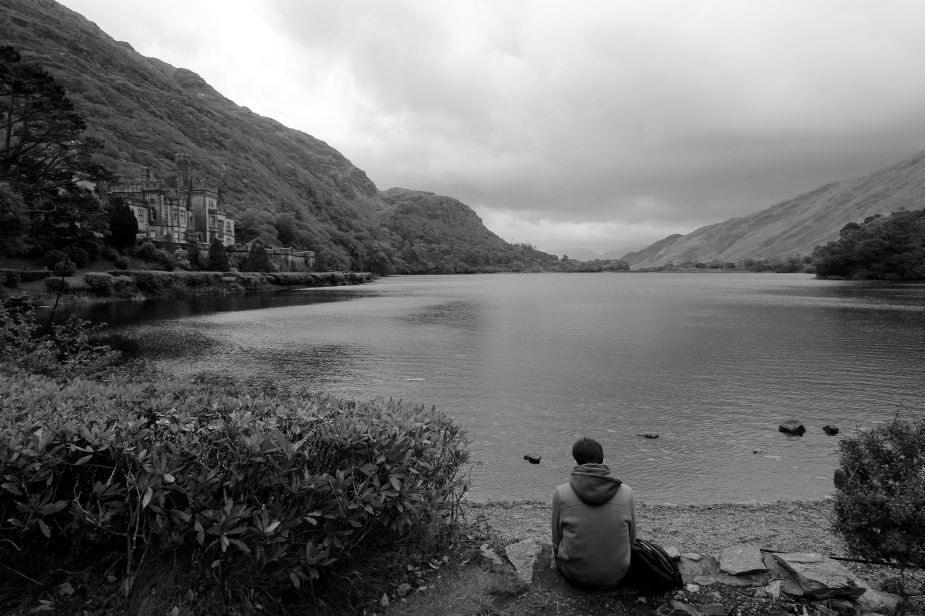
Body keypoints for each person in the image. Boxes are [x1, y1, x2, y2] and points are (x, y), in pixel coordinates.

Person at [551, 437, 637, 588]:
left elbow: (557, 539)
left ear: (575, 462)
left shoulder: (561, 493)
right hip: (616, 574)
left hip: (574, 573)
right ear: (603, 460)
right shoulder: (627, 493)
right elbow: (631, 539)